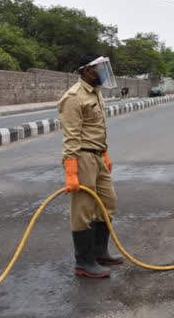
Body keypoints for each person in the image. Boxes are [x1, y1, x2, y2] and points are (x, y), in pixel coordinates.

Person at [58, 53, 123, 278]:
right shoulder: (74, 97)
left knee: (108, 202)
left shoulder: (96, 94)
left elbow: (97, 130)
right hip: (82, 157)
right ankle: (84, 263)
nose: (104, 73)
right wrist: (72, 172)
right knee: (84, 210)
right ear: (88, 70)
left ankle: (99, 251)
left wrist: (105, 154)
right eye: (101, 68)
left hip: (97, 155)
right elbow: (71, 137)